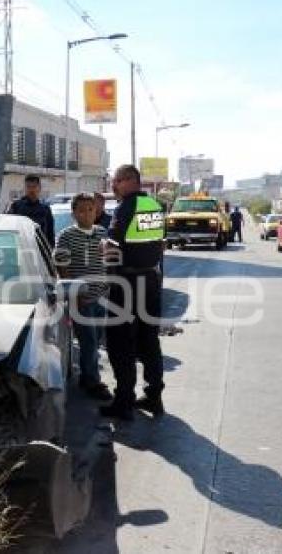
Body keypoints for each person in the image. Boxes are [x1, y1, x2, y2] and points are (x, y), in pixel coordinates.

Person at [100, 164, 166, 421]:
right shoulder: (155, 206)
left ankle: (124, 401)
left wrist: (104, 245)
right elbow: (160, 244)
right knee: (149, 340)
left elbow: (112, 246)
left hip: (126, 282)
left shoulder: (126, 207)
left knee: (119, 342)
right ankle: (153, 396)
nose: (113, 186)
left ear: (129, 181)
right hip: (150, 279)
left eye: (116, 181)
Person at [54, 193, 111, 401]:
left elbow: (107, 262)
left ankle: (87, 376)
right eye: (82, 210)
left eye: (91, 209)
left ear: (96, 211)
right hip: (82, 300)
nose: (87, 214)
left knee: (95, 341)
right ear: (74, 213)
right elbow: (61, 265)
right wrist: (74, 294)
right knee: (88, 342)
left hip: (101, 297)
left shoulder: (102, 232)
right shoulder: (66, 236)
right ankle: (92, 382)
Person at [6, 174, 55, 245]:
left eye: (34, 187)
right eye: (28, 187)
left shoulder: (45, 209)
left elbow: (50, 234)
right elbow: (9, 229)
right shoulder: (16, 206)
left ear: (39, 188)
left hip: (39, 250)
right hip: (21, 248)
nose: (31, 190)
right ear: (25, 188)